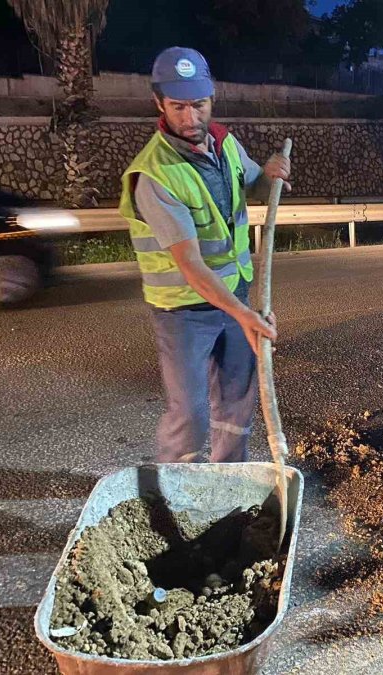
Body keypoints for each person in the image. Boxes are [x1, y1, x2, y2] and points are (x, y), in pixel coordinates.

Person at [119, 47, 291, 463]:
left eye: (199, 105)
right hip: (183, 311)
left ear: (211, 99)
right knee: (190, 412)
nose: (191, 118)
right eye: (178, 107)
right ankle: (179, 491)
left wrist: (270, 175)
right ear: (159, 103)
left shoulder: (225, 144)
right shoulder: (155, 175)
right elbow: (190, 264)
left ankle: (228, 479)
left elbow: (255, 187)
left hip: (234, 293)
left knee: (237, 398)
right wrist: (245, 314)